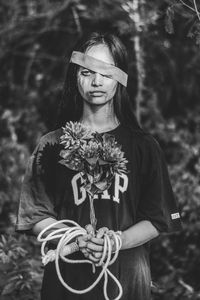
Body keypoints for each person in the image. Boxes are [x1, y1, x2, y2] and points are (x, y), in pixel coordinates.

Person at [15, 32, 182, 300]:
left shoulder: (144, 147)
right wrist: (77, 238)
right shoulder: (51, 145)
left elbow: (157, 218)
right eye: (86, 72)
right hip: (68, 283)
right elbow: (35, 215)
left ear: (119, 78)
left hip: (127, 284)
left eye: (106, 72)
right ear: (74, 77)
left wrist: (116, 242)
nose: (96, 82)